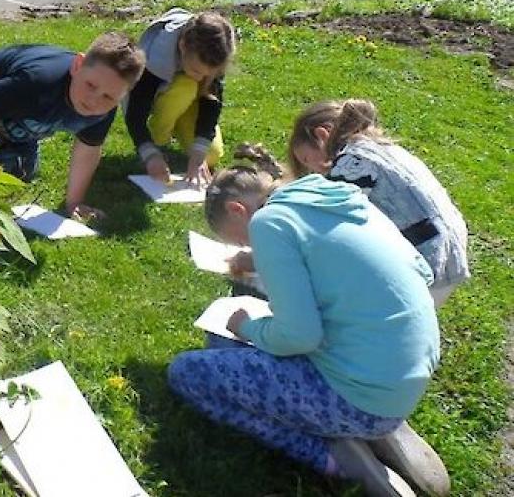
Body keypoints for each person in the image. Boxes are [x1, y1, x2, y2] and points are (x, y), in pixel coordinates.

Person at [168, 149, 448, 497]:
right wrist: (260, 258)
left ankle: (333, 454)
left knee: (188, 371)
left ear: (237, 210)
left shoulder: (268, 223)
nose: (248, 243)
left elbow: (300, 336)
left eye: (241, 239)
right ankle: (377, 429)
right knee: (221, 345)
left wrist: (247, 328)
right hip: (404, 371)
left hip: (359, 393)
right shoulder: (333, 196)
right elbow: (415, 270)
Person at [285, 98, 469, 306]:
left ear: (322, 135)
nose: (316, 171)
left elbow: (328, 224)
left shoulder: (351, 164)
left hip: (425, 258)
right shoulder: (383, 149)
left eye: (308, 160)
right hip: (449, 249)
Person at [0, 32, 145, 220]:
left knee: (21, 174)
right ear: (78, 65)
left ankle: (4, 150)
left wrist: (74, 202)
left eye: (108, 97)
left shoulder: (104, 109)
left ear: (122, 96)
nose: (94, 100)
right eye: (90, 85)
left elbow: (89, 148)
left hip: (16, 126)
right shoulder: (39, 80)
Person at [124, 8, 236, 187]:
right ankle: (158, 140)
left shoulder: (216, 53)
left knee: (211, 155)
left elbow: (212, 104)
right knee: (187, 86)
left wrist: (199, 153)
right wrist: (149, 152)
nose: (200, 79)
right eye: (196, 70)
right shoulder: (154, 57)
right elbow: (134, 113)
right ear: (182, 45)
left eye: (206, 75)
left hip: (189, 102)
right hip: (163, 99)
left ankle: (179, 126)